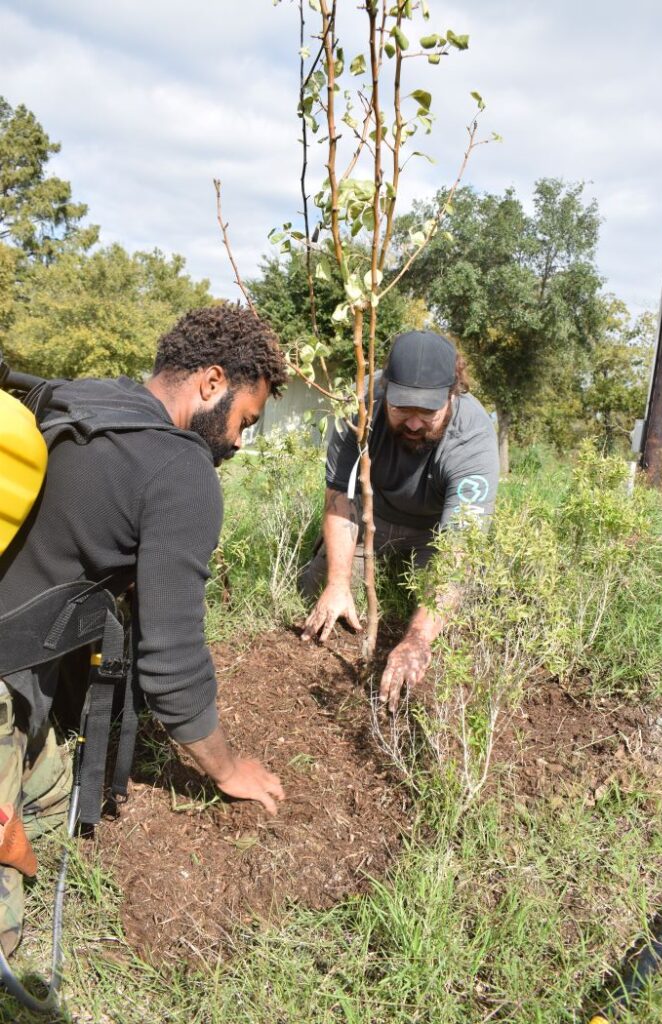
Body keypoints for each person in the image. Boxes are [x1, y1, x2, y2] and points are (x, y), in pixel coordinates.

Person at [0, 304, 287, 958]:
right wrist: (229, 767)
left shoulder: (84, 398)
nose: (240, 441)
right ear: (211, 383)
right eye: (245, 419)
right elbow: (173, 668)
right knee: (6, 945)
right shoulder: (180, 472)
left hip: (16, 669)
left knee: (53, 797)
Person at [301, 330, 500, 710]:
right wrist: (339, 581)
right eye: (401, 409)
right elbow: (340, 496)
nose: (412, 424)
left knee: (453, 621)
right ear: (386, 389)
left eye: (427, 412)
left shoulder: (473, 438)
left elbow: (459, 548)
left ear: (452, 393)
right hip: (372, 521)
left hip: (435, 535)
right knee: (317, 591)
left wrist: (418, 638)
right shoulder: (360, 407)